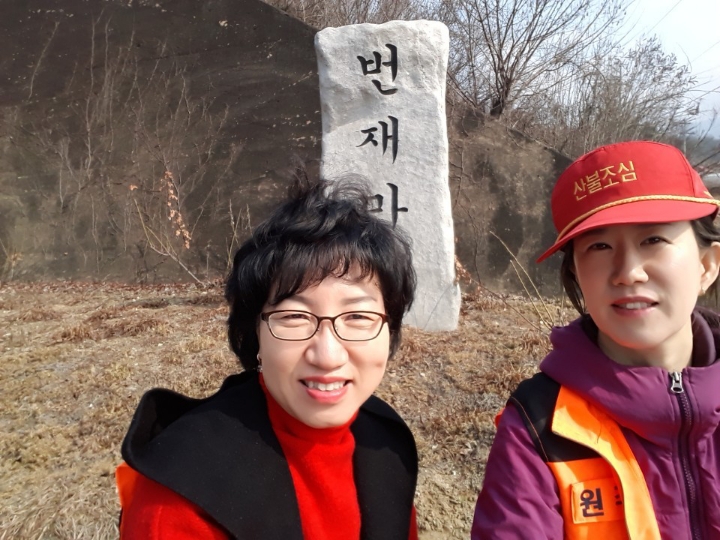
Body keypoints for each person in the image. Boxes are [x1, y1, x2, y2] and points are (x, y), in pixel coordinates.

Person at [116, 173, 419, 539]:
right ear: (254, 333)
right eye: (294, 317)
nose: (327, 356)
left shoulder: (387, 442)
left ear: (390, 329)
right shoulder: (181, 499)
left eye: (357, 316)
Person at [471, 140, 720, 539]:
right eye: (599, 246)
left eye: (653, 240)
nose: (628, 272)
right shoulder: (539, 425)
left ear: (707, 265)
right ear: (576, 274)